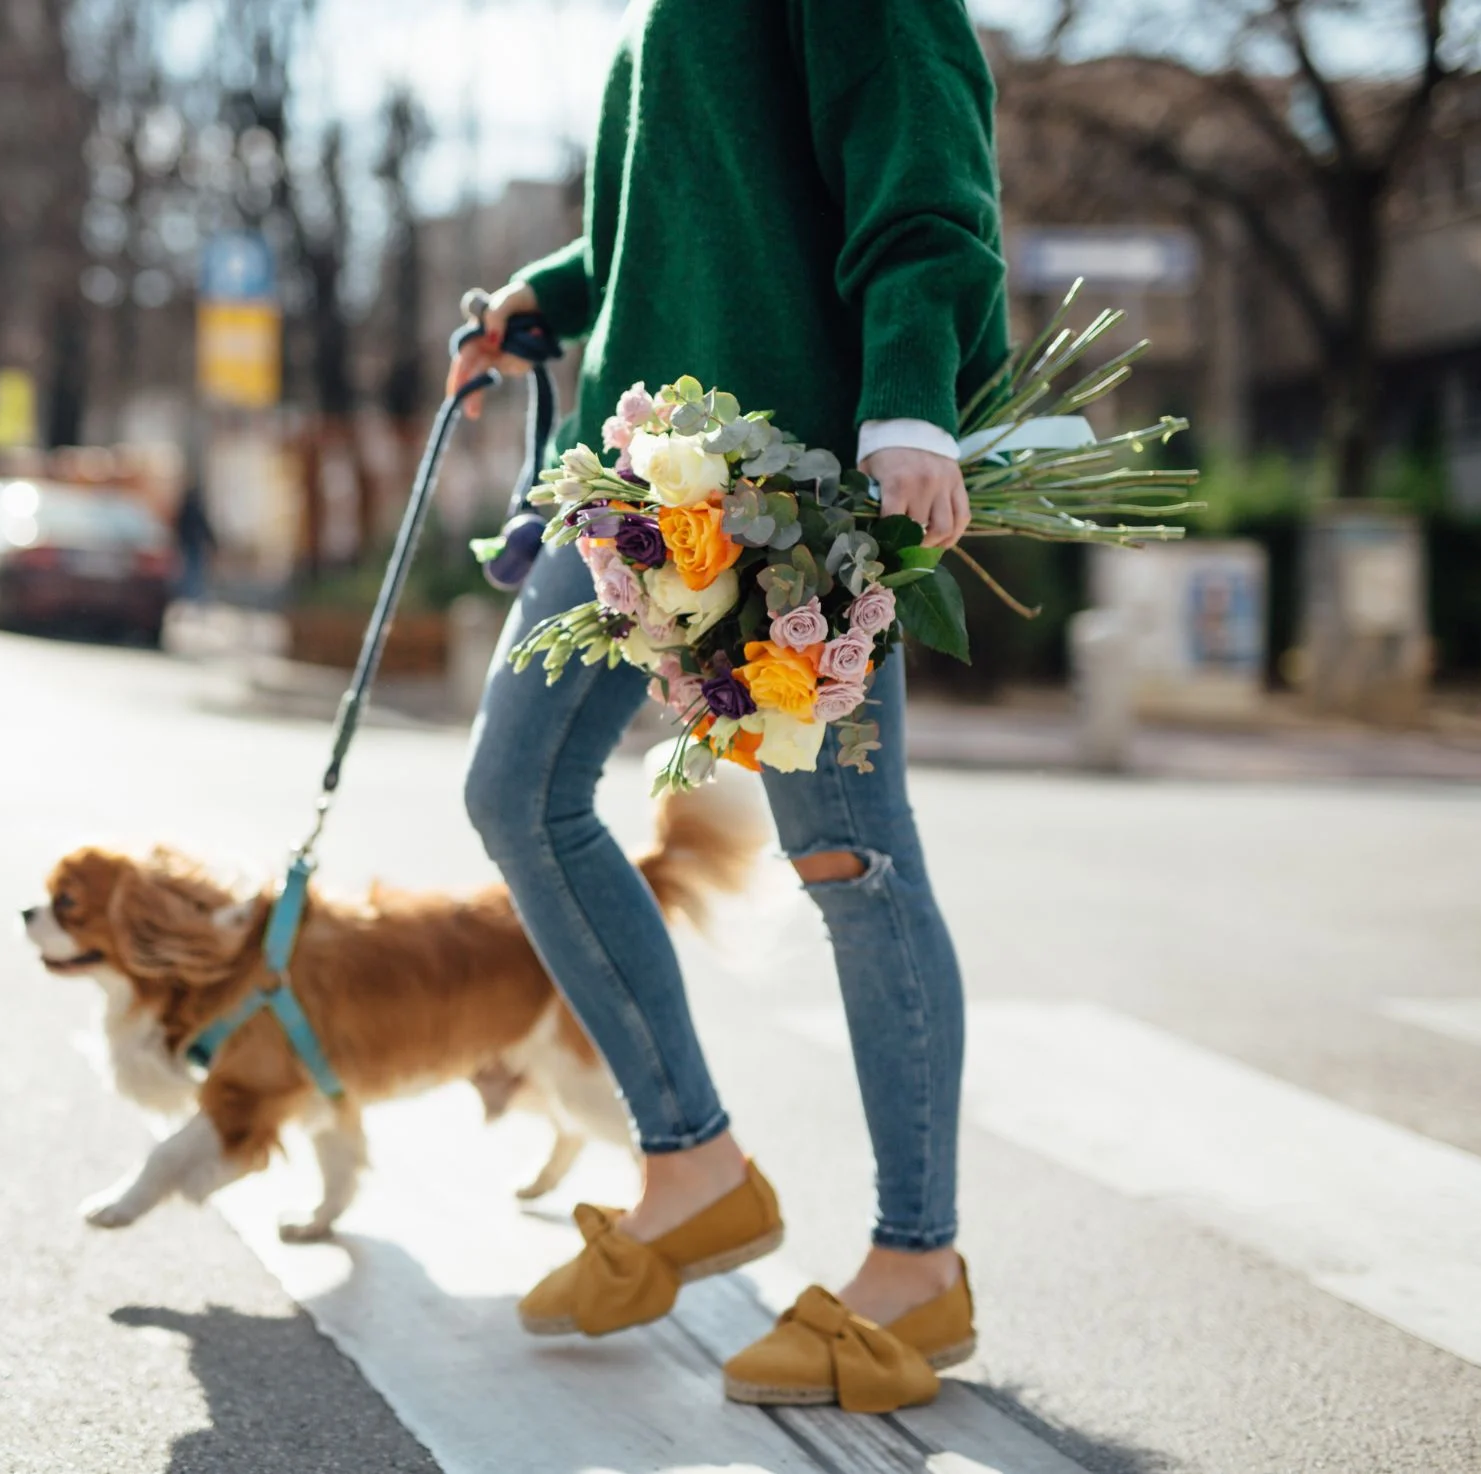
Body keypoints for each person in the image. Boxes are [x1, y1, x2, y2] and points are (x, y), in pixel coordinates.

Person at [453, 0, 1006, 1413]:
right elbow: (675, 218)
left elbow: (920, 169)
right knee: (514, 793)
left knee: (849, 865)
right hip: (630, 474)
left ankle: (915, 1260)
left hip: (789, 479)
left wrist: (906, 403)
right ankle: (689, 1159)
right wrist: (546, 300)